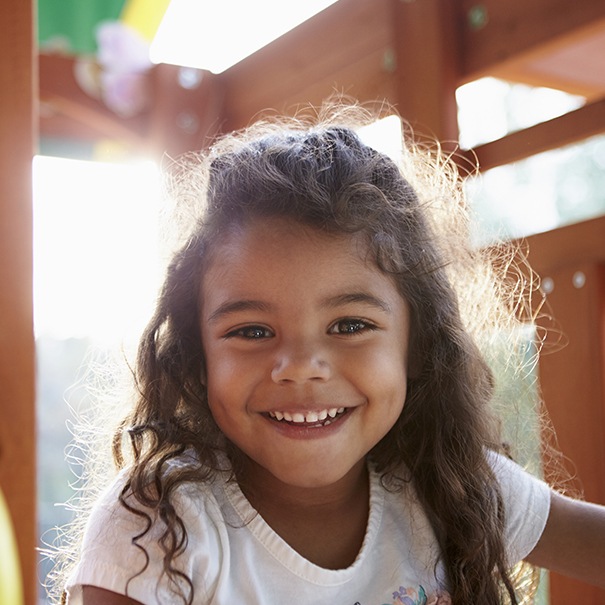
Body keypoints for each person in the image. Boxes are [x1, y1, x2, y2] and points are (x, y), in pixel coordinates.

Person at [57, 104, 605, 605]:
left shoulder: (451, 485)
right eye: (251, 331)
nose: (299, 365)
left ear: (416, 347)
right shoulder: (157, 526)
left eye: (349, 325)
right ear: (197, 357)